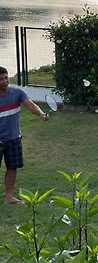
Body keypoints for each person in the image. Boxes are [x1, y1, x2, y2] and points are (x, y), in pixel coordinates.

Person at [0, 66, 48, 204]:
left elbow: (31, 106)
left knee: (12, 167)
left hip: (14, 139)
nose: (4, 81)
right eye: (1, 79)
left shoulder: (17, 93)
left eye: (6, 78)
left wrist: (41, 114)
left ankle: (9, 197)